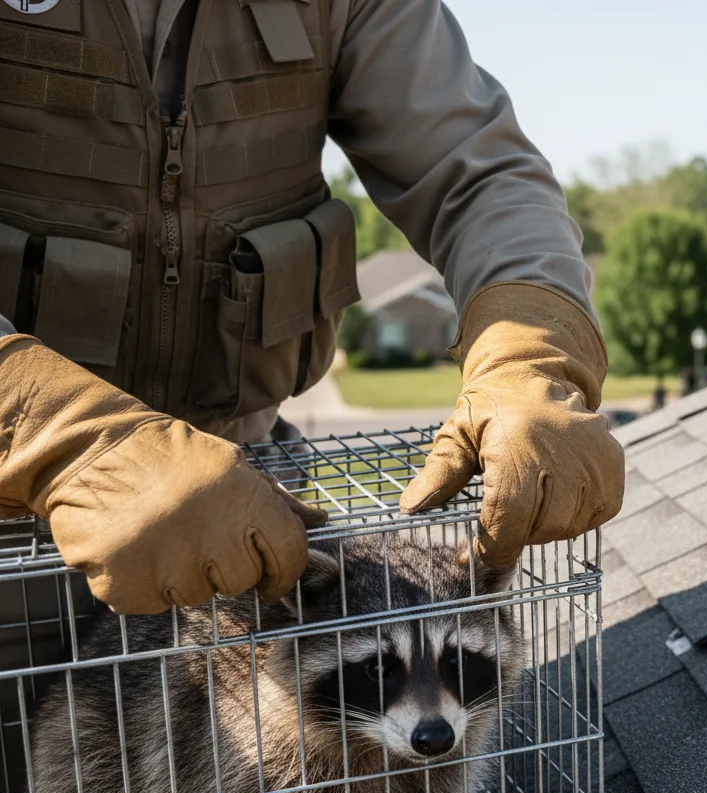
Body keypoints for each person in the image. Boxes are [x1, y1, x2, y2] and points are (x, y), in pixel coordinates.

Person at [0, 0, 625, 617]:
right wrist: (70, 443)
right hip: (14, 547)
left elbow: (478, 172)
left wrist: (530, 353)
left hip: (254, 544)